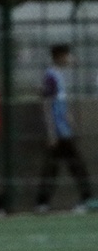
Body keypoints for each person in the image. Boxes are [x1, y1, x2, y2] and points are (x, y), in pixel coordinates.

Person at [34, 43, 95, 213]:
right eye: (68, 56)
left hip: (63, 130)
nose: (70, 59)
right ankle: (86, 199)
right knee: (73, 165)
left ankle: (43, 202)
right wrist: (51, 133)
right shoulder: (51, 76)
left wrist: (68, 117)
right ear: (60, 56)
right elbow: (47, 104)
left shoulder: (58, 76)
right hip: (59, 132)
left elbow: (58, 102)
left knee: (56, 166)